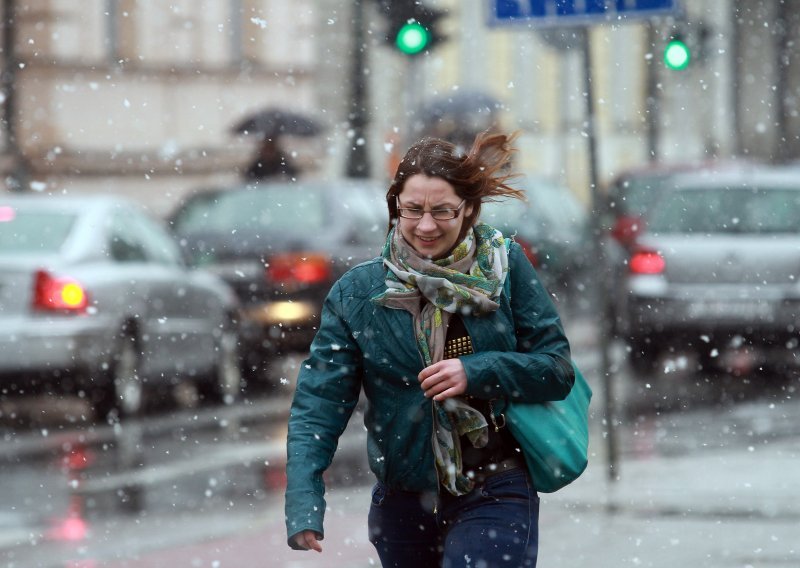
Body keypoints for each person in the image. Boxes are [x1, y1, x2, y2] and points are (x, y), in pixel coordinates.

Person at [284, 131, 575, 567]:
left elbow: (556, 369)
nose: (425, 225)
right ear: (395, 208)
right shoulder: (359, 293)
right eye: (413, 210)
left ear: (469, 210)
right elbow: (319, 401)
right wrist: (304, 499)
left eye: (442, 211)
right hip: (401, 501)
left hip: (494, 489)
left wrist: (477, 371)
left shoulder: (506, 268)